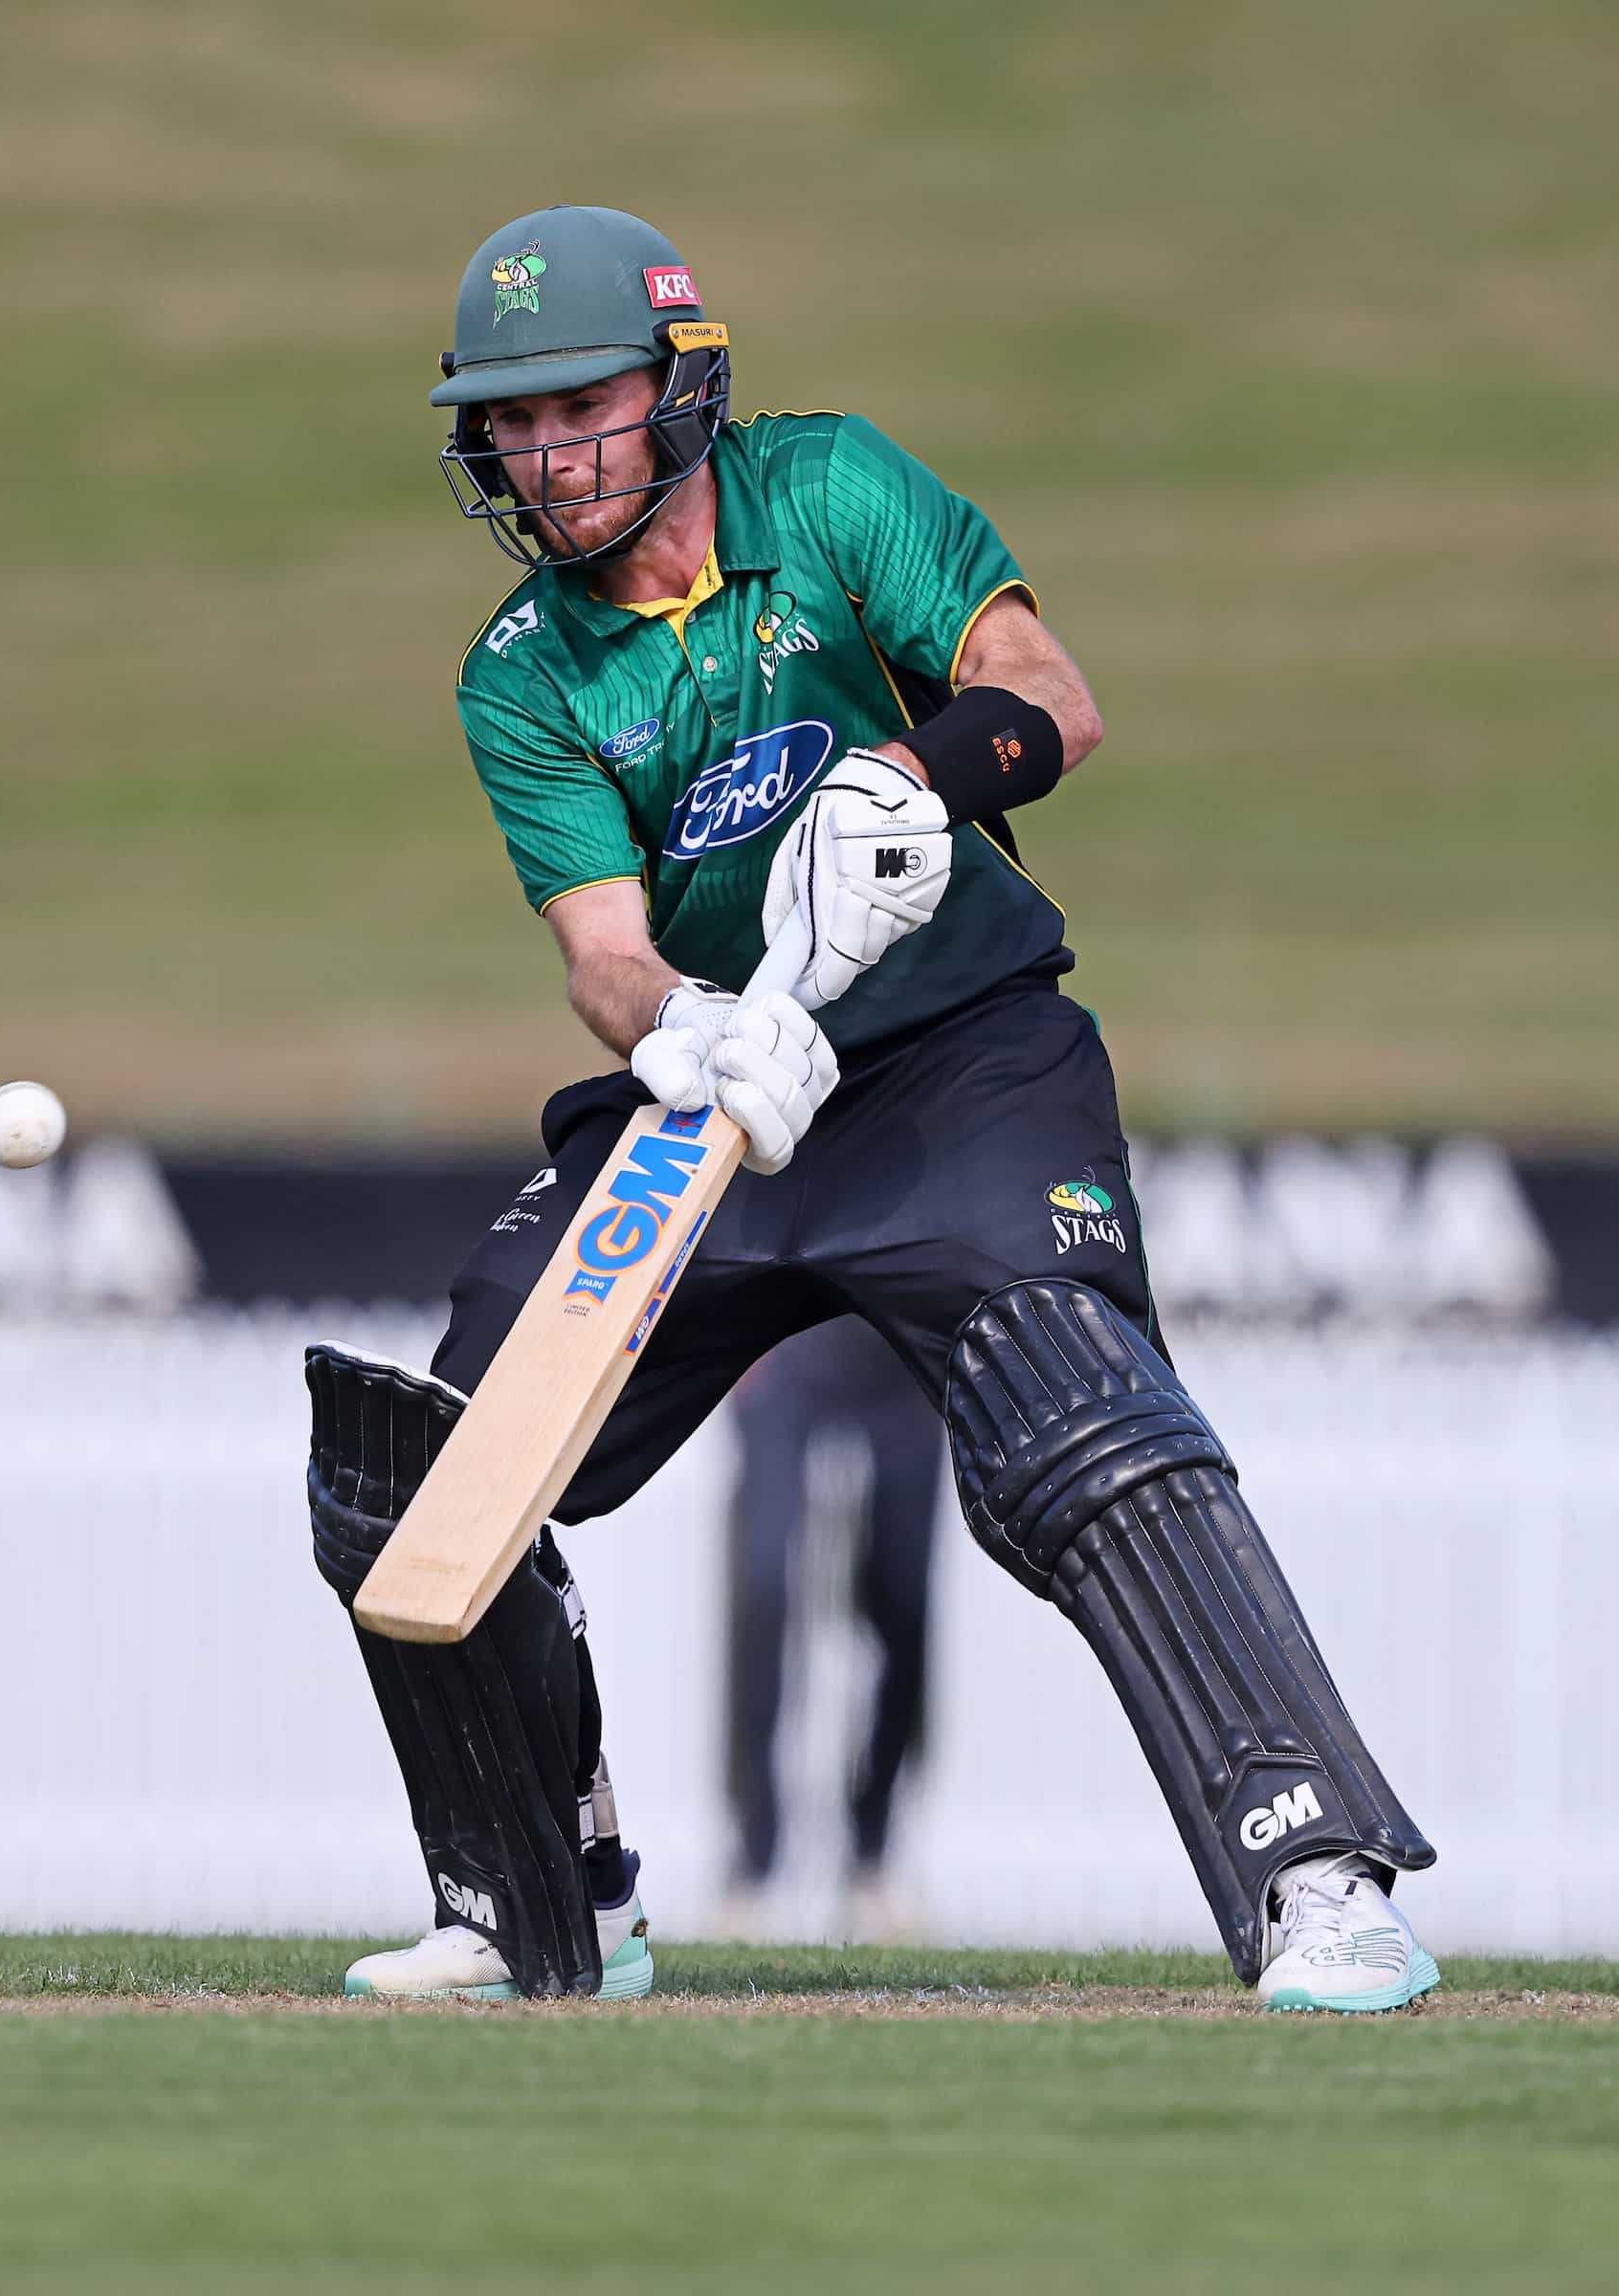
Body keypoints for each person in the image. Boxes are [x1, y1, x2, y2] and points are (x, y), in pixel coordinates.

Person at [306, 205, 1439, 2012]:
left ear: (683, 387)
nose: (543, 454)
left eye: (576, 405)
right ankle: (544, 1903)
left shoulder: (829, 490)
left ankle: (1316, 1874)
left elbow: (1053, 702)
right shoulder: (518, 670)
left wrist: (903, 784)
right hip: (732, 1101)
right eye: (508, 424)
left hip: (961, 1061)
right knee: (426, 1459)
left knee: (1075, 1410)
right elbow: (600, 948)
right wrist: (683, 1031)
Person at [721, 1318, 945, 1938]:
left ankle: (871, 1851)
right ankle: (752, 1857)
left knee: (904, 1603)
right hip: (787, 1338)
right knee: (762, 1589)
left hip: (904, 1344)